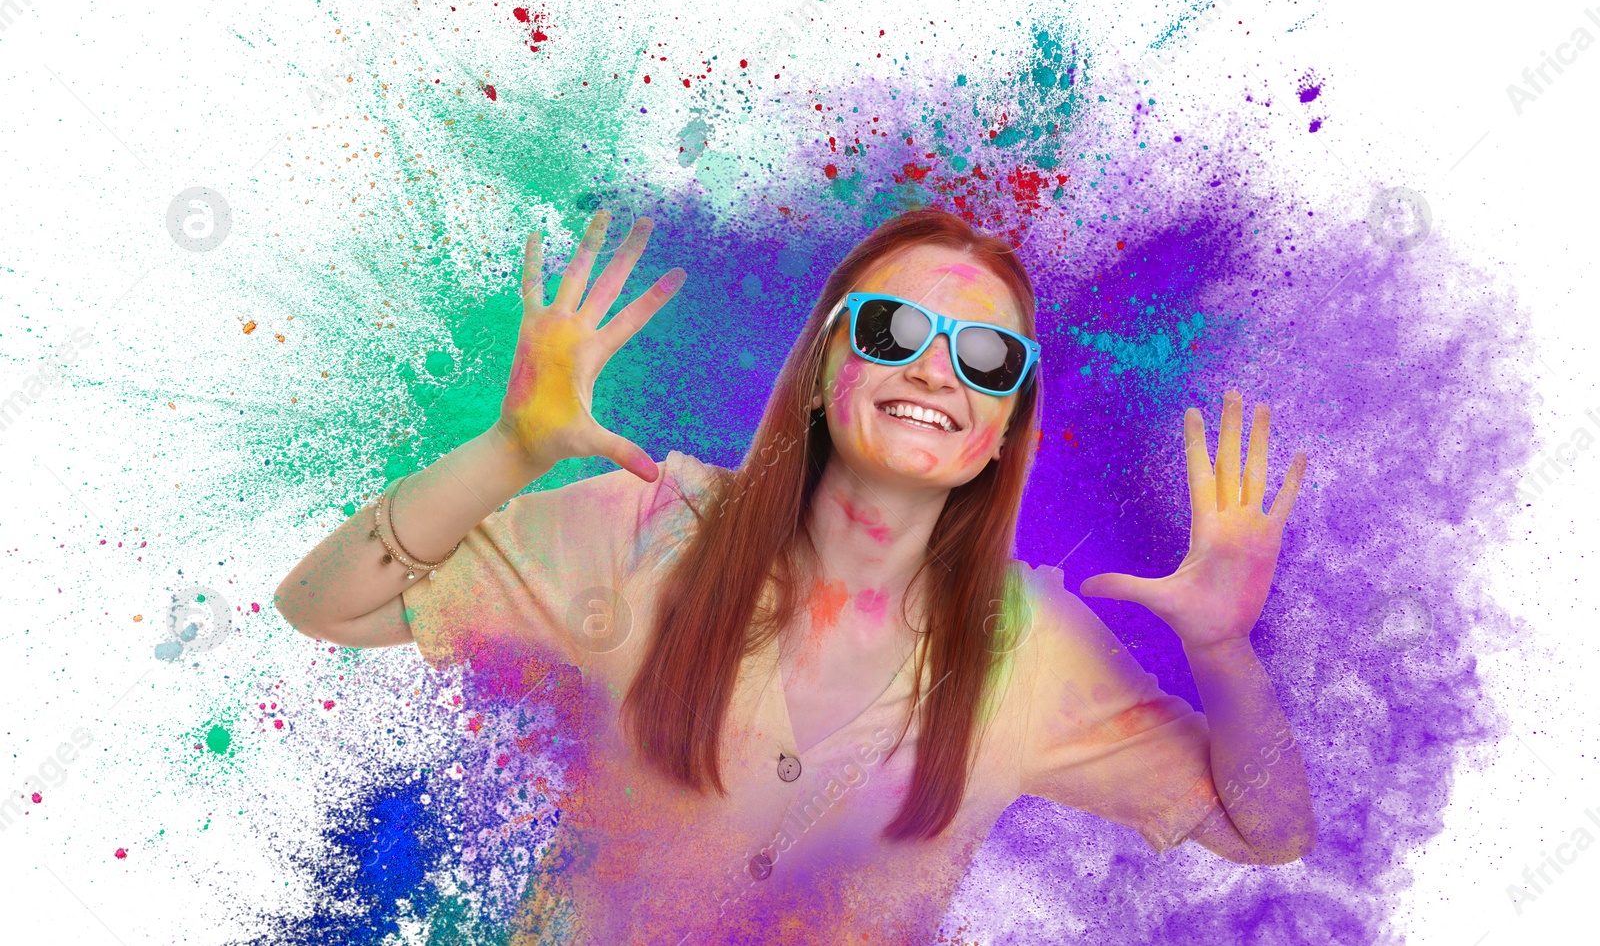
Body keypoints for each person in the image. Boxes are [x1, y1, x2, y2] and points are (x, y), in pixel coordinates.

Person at [276, 207, 1314, 945]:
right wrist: (512, 447)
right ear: (825, 369)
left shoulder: (1030, 645)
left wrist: (1219, 648)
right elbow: (324, 604)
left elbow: (1263, 829)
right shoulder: (654, 525)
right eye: (893, 329)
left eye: (987, 358)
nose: (935, 370)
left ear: (1003, 428)